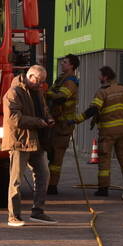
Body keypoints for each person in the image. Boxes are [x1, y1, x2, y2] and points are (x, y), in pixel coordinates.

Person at [1, 64, 56, 226]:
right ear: (30, 76)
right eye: (39, 81)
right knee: (16, 180)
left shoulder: (37, 91)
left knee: (43, 175)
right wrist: (38, 122)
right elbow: (14, 119)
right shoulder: (13, 93)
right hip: (19, 142)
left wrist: (48, 118)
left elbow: (43, 109)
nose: (41, 85)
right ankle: (13, 216)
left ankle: (38, 212)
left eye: (43, 82)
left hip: (35, 141)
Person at [75, 66, 123, 197]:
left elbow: (93, 110)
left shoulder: (102, 92)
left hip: (108, 131)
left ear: (105, 77)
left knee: (104, 160)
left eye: (100, 75)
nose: (98, 78)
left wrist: (77, 120)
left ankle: (103, 189)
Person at [45, 54, 80, 195]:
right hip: (55, 123)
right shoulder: (61, 79)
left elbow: (61, 97)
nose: (62, 64)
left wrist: (46, 93)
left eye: (65, 62)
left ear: (72, 65)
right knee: (50, 153)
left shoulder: (70, 81)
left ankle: (52, 186)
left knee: (56, 157)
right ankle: (48, 183)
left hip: (63, 125)